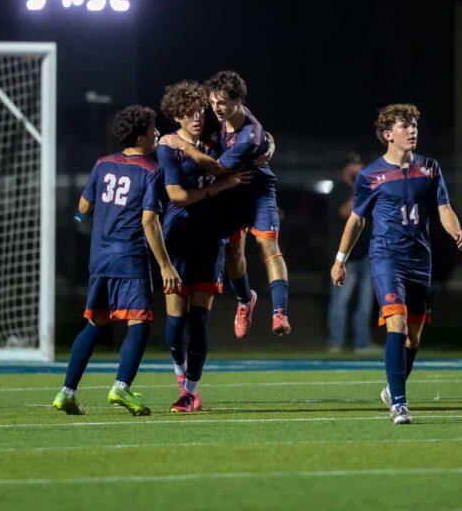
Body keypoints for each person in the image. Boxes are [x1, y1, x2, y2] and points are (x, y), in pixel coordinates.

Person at [330, 104, 462, 424]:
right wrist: (340, 260)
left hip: (420, 260)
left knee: (414, 337)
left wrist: (456, 231)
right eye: (405, 126)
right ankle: (399, 404)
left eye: (414, 125)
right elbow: (355, 221)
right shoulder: (370, 175)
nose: (412, 130)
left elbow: (443, 208)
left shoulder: (430, 168)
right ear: (387, 135)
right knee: (397, 323)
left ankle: (392, 388)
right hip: (386, 258)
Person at [52, 105, 181, 416]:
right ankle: (121, 387)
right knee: (139, 323)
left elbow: (84, 206)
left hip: (100, 259)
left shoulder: (102, 164)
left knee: (95, 323)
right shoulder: (152, 171)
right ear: (139, 136)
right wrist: (166, 265)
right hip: (129, 257)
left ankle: (66, 392)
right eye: (152, 129)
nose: (156, 133)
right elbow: (150, 221)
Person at [159, 70, 291, 340]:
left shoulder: (249, 136)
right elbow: (190, 125)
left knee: (268, 244)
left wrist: (183, 146)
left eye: (222, 103)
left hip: (256, 188)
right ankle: (245, 300)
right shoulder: (213, 118)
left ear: (238, 101)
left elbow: (219, 168)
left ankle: (280, 313)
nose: (215, 108)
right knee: (232, 253)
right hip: (230, 192)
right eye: (213, 102)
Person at [157, 81, 252, 412]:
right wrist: (224, 185)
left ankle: (189, 392)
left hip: (211, 238)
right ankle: (180, 378)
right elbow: (178, 197)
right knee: (174, 323)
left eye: (200, 110)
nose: (197, 116)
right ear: (176, 117)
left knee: (199, 320)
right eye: (188, 112)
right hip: (178, 239)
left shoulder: (216, 138)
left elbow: (251, 134)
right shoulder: (168, 147)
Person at [325, 152, 378, 354]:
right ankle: (336, 343)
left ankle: (362, 343)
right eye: (352, 167)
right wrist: (360, 187)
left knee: (365, 304)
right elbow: (346, 212)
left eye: (360, 166)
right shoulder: (338, 188)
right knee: (340, 302)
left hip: (366, 254)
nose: (357, 170)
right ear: (344, 169)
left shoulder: (367, 189)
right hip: (344, 258)